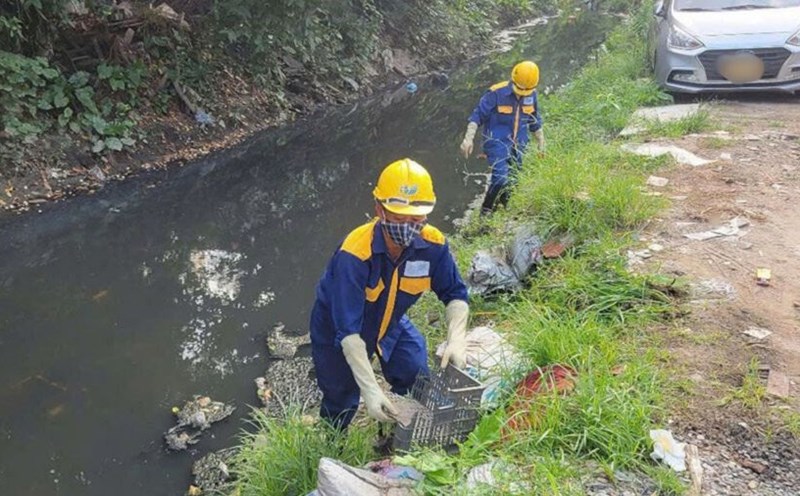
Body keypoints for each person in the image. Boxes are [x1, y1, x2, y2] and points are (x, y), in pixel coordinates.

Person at [309, 158, 470, 429]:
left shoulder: (433, 246)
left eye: (416, 218)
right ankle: (332, 442)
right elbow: (348, 333)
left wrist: (456, 339)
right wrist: (371, 390)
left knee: (416, 371)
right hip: (339, 331)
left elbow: (455, 293)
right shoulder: (355, 254)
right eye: (398, 217)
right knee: (340, 396)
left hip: (390, 322)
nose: (408, 226)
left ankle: (404, 427)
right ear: (379, 210)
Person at [460, 60, 545, 214]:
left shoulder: (532, 94)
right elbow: (477, 116)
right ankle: (486, 209)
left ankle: (502, 206)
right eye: (519, 89)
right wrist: (468, 138)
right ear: (513, 79)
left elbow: (534, 119)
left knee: (514, 179)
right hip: (496, 143)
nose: (521, 93)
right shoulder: (495, 93)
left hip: (519, 144)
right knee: (500, 178)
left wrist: (541, 142)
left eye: (525, 91)